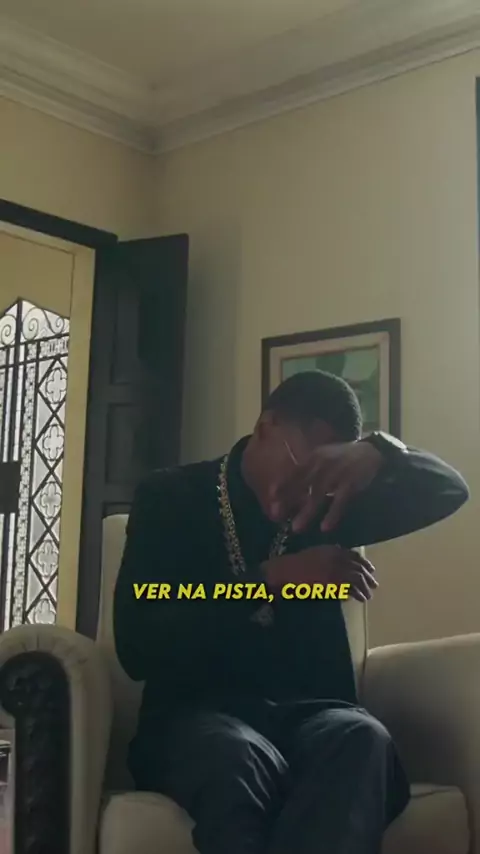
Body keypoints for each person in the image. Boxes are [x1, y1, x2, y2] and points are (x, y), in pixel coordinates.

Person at [114, 370, 469, 854]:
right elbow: (137, 638)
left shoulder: (332, 507)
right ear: (266, 427)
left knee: (363, 738)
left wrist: (379, 450)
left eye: (324, 475)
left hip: (314, 714)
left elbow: (449, 490)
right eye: (304, 466)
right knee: (236, 758)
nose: (308, 490)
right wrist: (268, 580)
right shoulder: (171, 497)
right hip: (196, 716)